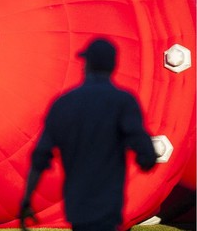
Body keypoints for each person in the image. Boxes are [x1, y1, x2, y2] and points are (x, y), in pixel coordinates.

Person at [19, 38, 157, 231]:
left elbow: (40, 157)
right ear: (113, 65)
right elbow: (145, 151)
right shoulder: (123, 102)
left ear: (87, 64)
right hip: (109, 206)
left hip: (78, 207)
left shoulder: (64, 104)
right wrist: (145, 161)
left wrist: (27, 199)